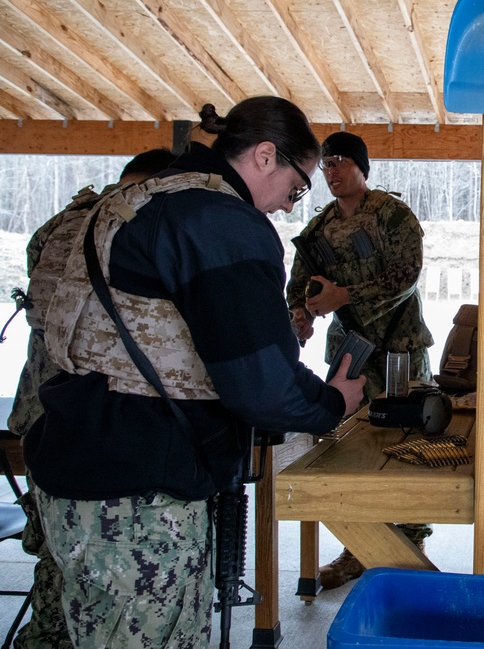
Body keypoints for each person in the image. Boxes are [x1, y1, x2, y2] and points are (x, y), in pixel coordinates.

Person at [22, 96, 366, 649]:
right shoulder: (220, 220)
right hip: (142, 494)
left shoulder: (136, 202)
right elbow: (263, 384)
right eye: (296, 187)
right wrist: (332, 403)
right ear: (262, 156)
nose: (286, 206)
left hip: (78, 467)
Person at [6, 147, 177, 649]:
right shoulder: (135, 229)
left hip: (44, 414)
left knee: (59, 554)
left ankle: (47, 639)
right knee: (97, 567)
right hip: (98, 421)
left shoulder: (62, 224)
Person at [287, 131, 434, 590]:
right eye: (325, 164)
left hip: (400, 350)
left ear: (361, 168)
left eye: (340, 162)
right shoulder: (317, 232)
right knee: (348, 451)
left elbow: (405, 277)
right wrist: (300, 312)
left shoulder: (393, 216)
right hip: (352, 356)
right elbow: (301, 284)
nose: (330, 171)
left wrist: (342, 295)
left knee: (408, 447)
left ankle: (409, 547)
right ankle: (359, 547)